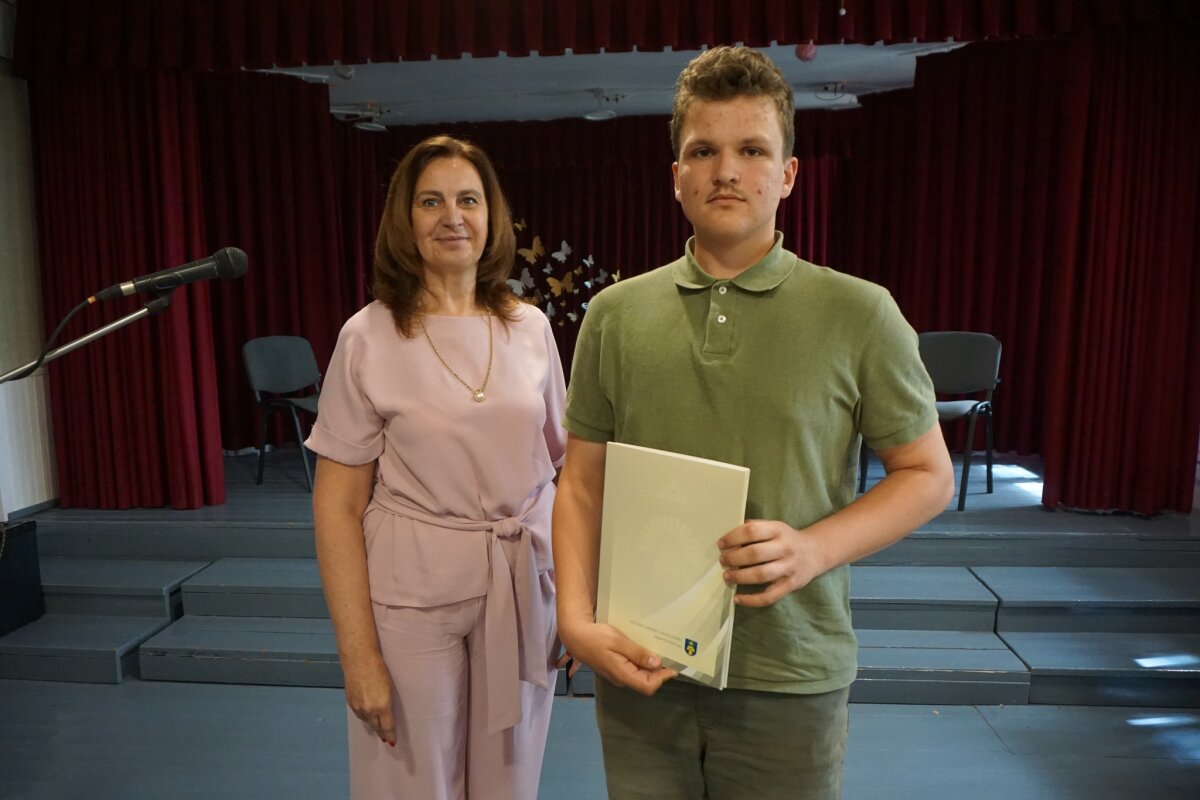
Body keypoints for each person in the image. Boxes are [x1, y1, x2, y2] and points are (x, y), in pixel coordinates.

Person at [552, 46, 955, 799]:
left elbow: (928, 475)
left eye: (752, 150)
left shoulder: (860, 313)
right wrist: (574, 620)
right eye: (703, 151)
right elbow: (580, 485)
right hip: (641, 663)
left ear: (788, 174)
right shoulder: (614, 316)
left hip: (790, 672)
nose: (726, 171)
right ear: (677, 175)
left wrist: (812, 548)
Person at [308, 135, 570, 800]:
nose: (452, 216)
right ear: (405, 219)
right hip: (412, 600)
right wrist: (358, 657)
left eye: (468, 200)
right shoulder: (366, 336)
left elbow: (566, 473)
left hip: (522, 587)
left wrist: (576, 598)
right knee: (413, 785)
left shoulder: (531, 328)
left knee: (510, 782)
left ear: (492, 216)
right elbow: (337, 505)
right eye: (431, 201)